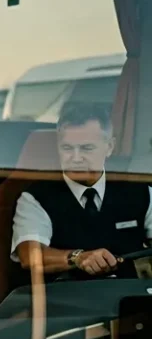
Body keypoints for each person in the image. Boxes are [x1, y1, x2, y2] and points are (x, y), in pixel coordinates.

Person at [13, 101, 152, 278]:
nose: (76, 158)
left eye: (86, 148)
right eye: (67, 148)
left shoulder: (139, 192)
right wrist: (77, 258)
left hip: (129, 298)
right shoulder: (36, 198)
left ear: (109, 147)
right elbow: (30, 255)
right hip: (71, 299)